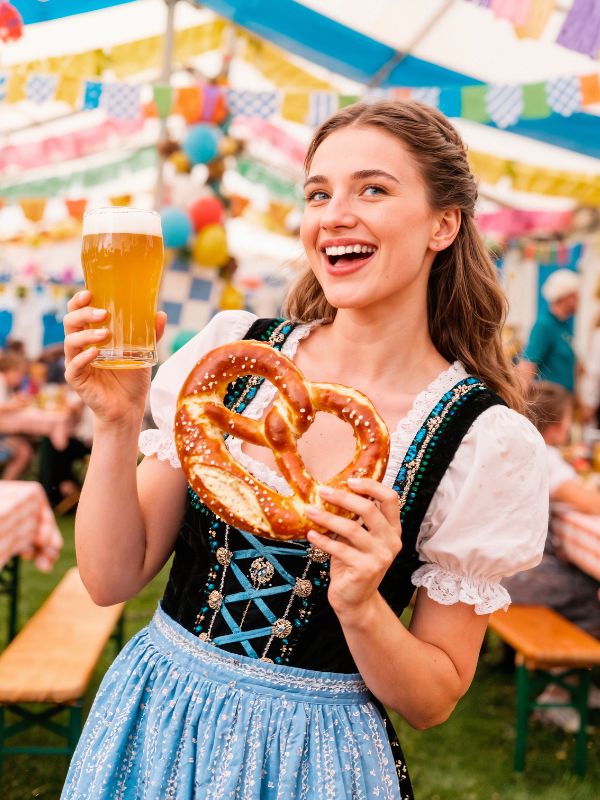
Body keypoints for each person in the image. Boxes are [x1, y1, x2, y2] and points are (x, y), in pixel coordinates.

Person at [61, 100, 548, 799]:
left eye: (372, 189)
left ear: (445, 224)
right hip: (156, 717)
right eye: (319, 193)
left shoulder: (482, 441)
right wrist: (117, 421)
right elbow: (111, 578)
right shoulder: (233, 359)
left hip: (315, 761)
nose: (334, 214)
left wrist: (359, 603)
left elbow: (434, 698)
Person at [503, 381, 600, 731]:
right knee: (593, 596)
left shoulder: (517, 447)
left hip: (504, 570)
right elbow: (589, 502)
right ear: (559, 425)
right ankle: (559, 691)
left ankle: (572, 681)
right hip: (519, 578)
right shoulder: (544, 455)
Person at [516, 268, 581, 393]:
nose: (579, 300)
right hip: (550, 405)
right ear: (566, 297)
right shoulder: (544, 325)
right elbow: (527, 366)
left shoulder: (563, 326)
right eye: (575, 295)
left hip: (563, 404)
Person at [0, 353, 34, 480]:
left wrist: (15, 401)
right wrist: (14, 404)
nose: (20, 379)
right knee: (24, 452)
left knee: (27, 441)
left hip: (3, 431)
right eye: (19, 374)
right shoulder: (1, 380)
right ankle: (5, 489)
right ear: (10, 370)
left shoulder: (6, 385)